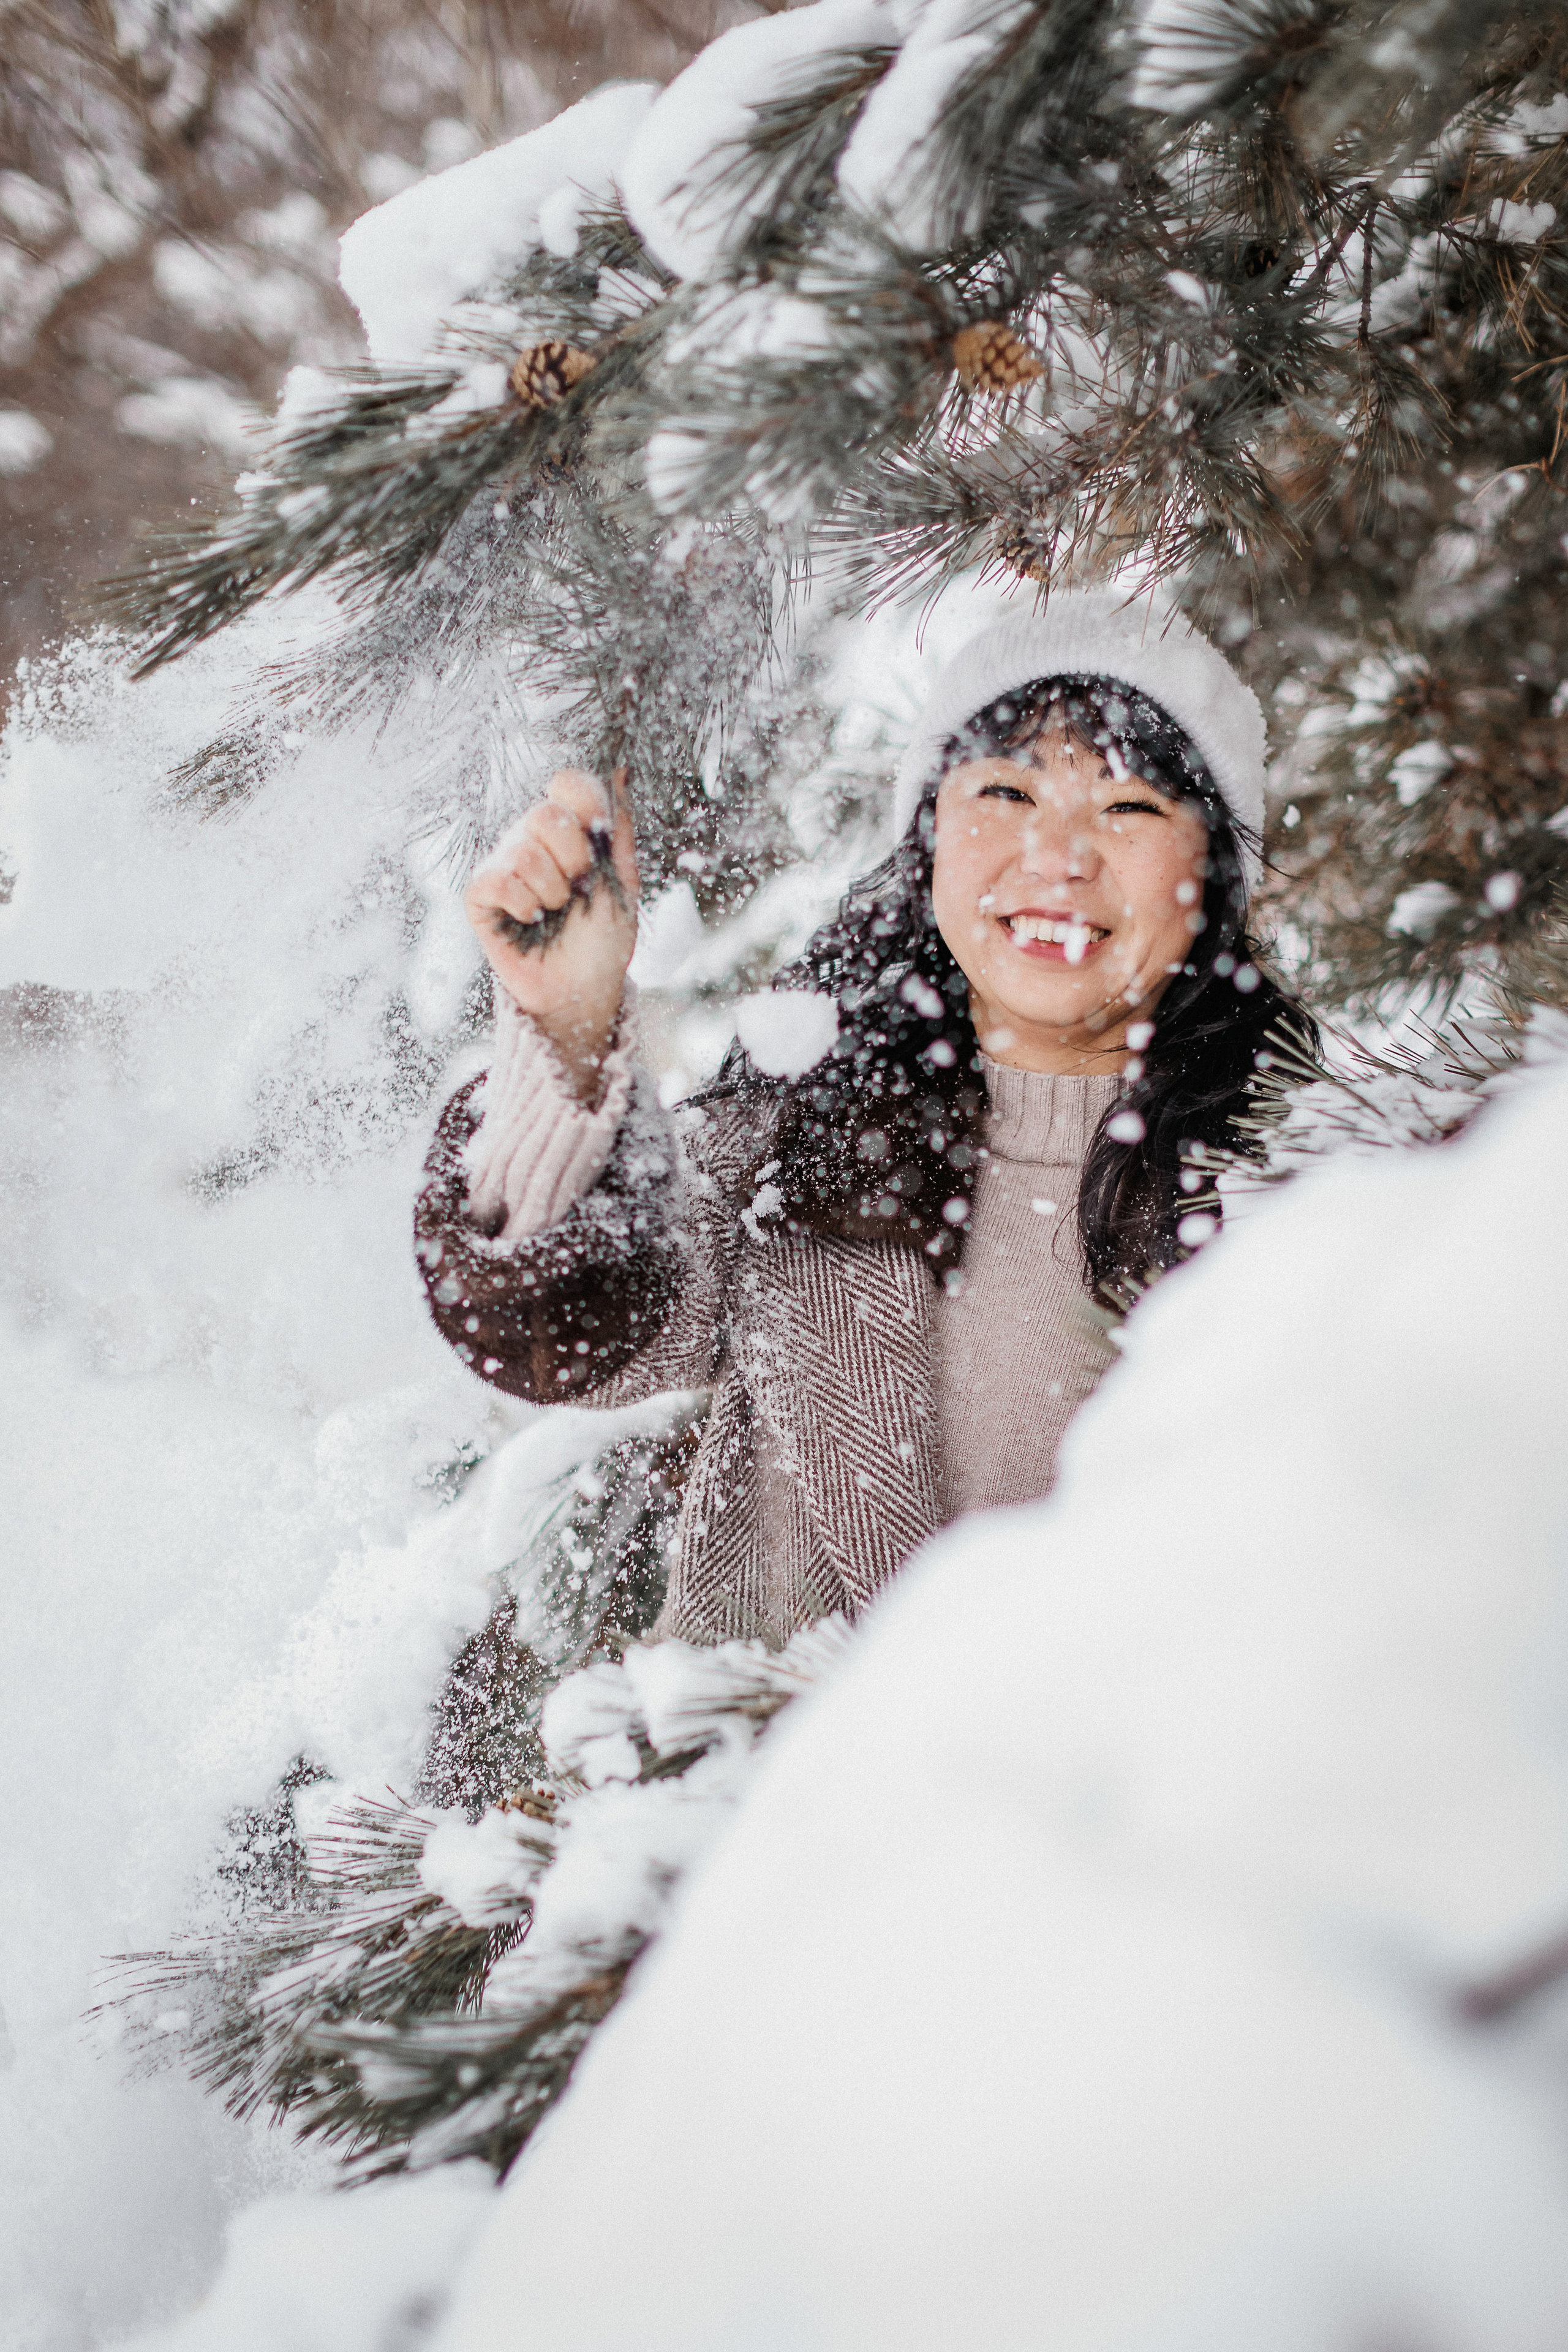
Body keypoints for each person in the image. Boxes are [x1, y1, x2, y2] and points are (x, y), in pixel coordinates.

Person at [415, 590, 1316, 1644]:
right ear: (930, 839)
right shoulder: (807, 1138)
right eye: (1008, 792)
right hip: (773, 1797)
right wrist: (565, 1032)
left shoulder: (1315, 1177)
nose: (1058, 858)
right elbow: (566, 1321)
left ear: (1211, 874)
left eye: (1129, 809)